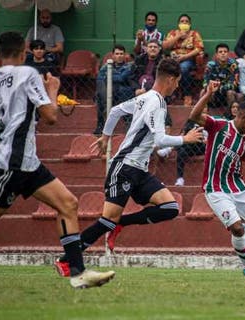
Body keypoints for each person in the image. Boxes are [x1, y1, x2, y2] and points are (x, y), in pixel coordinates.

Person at [0, 31, 115, 289]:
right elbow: (50, 116)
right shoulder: (28, 75)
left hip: (24, 163)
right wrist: (52, 89)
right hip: (12, 165)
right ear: (24, 51)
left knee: (68, 204)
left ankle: (77, 272)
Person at [54, 58, 205, 277]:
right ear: (171, 79)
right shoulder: (157, 103)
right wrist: (186, 139)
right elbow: (160, 140)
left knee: (170, 208)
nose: (178, 86)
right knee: (106, 220)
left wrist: (106, 137)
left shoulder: (144, 98)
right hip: (124, 167)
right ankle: (66, 260)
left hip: (139, 171)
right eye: (178, 81)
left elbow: (115, 111)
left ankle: (120, 223)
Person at [189, 85, 245, 277]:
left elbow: (239, 161)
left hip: (237, 185)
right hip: (215, 188)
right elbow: (194, 116)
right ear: (242, 116)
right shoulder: (220, 126)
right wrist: (207, 94)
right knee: (236, 228)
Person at [163, 13, 204, 107]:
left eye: (186, 22)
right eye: (182, 21)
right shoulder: (172, 33)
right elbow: (165, 46)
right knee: (165, 69)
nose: (184, 23)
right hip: (173, 59)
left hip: (188, 59)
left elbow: (199, 48)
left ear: (190, 24)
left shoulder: (194, 34)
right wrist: (177, 36)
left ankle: (187, 95)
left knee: (183, 68)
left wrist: (184, 57)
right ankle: (169, 94)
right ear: (178, 24)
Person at [94, 44, 134, 135]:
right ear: (113, 55)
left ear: (124, 55)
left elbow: (121, 78)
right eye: (117, 54)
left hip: (122, 92)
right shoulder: (107, 65)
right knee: (100, 94)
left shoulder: (128, 66)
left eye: (121, 54)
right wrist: (110, 76)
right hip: (108, 93)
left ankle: (128, 125)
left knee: (124, 92)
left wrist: (108, 76)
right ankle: (100, 126)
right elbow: (100, 78)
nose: (119, 56)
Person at [202, 43, 242, 111]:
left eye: (225, 52)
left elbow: (235, 84)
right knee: (203, 91)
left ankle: (230, 116)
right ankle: (202, 115)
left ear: (228, 54)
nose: (223, 53)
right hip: (214, 94)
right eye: (220, 52)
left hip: (226, 94)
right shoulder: (210, 65)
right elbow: (205, 81)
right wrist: (210, 88)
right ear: (217, 54)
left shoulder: (233, 65)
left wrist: (219, 88)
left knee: (230, 92)